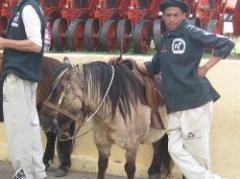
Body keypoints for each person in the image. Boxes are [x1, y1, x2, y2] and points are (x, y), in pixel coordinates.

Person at [135, 0, 235, 179]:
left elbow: (226, 44)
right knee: (174, 149)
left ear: (183, 16)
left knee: (198, 155)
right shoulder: (164, 40)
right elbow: (152, 67)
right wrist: (128, 64)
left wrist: (205, 68)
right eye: (168, 15)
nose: (171, 19)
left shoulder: (191, 32)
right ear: (163, 17)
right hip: (175, 106)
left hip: (195, 104)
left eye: (175, 15)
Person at [0, 0, 47, 178]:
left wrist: (5, 42)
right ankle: (36, 172)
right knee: (30, 125)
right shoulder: (26, 8)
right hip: (25, 74)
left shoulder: (27, 9)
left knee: (18, 125)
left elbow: (36, 44)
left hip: (19, 75)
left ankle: (23, 172)